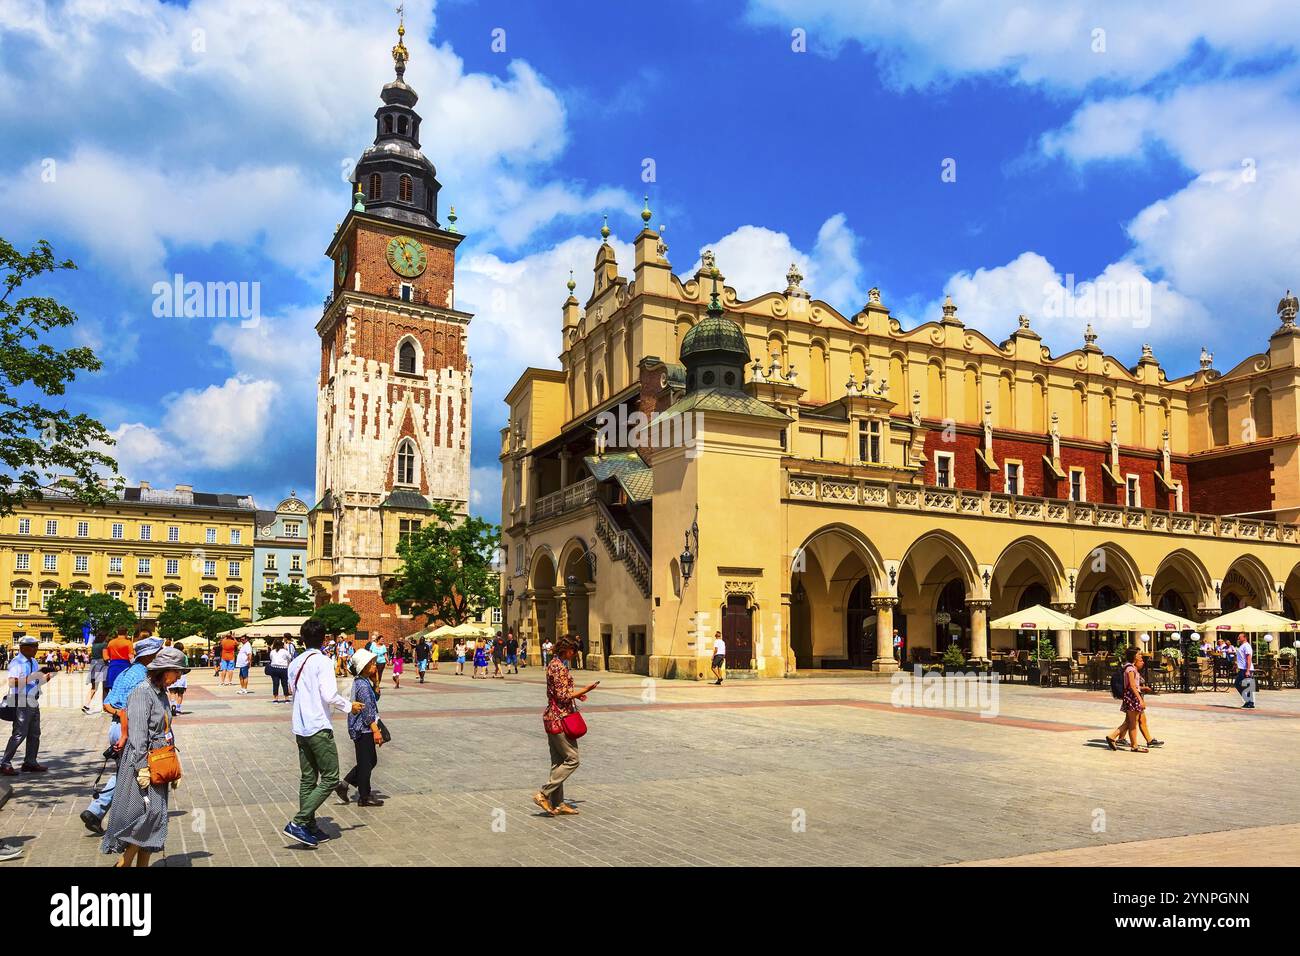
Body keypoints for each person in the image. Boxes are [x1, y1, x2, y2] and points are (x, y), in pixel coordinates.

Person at [101, 646, 189, 867]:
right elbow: (138, 734)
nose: (179, 677)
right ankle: (123, 864)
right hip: (143, 761)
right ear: (163, 670)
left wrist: (174, 764)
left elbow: (166, 729)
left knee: (155, 817)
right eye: (176, 672)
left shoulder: (160, 692)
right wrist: (141, 768)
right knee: (150, 815)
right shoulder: (142, 692)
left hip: (159, 759)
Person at [283, 618, 363, 848]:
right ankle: (299, 822)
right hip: (318, 725)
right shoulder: (323, 661)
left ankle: (308, 825)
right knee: (329, 777)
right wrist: (350, 706)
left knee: (308, 778)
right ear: (324, 638)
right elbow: (329, 695)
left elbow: (292, 690)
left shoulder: (295, 662)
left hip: (300, 725)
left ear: (302, 638)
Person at [81, 637, 162, 835]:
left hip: (115, 729)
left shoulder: (125, 672)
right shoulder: (144, 678)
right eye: (158, 653)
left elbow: (108, 704)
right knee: (132, 773)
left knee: (124, 772)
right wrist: (126, 727)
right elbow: (132, 709)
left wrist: (119, 716)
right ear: (150, 655)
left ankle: (96, 811)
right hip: (130, 730)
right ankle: (120, 817)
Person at [533, 635, 600, 816]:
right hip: (560, 719)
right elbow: (563, 696)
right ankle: (543, 793)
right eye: (573, 650)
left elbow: (560, 693)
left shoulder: (555, 664)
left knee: (558, 763)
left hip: (552, 717)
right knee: (572, 759)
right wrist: (585, 690)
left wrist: (576, 695)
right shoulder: (559, 667)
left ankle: (558, 804)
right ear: (566, 649)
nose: (574, 654)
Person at [336, 648, 385, 807]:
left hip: (363, 727)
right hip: (362, 728)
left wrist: (376, 682)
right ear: (363, 666)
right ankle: (364, 796)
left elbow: (375, 698)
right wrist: (376, 730)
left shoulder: (364, 682)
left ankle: (344, 785)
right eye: (371, 663)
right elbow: (366, 711)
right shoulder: (362, 685)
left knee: (369, 760)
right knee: (366, 762)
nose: (375, 665)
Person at [2, 636, 54, 776]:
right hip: (20, 700)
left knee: (34, 733)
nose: (36, 649)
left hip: (32, 699)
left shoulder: (33, 661)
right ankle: (4, 763)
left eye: (36, 646)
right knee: (19, 733)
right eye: (32, 646)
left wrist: (48, 676)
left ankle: (30, 762)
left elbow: (36, 682)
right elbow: (13, 682)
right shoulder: (17, 662)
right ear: (23, 647)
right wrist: (34, 677)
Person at [1105, 648, 1147, 752]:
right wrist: (1140, 699)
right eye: (1139, 654)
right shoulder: (1130, 669)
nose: (1141, 656)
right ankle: (1133, 745)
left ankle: (1114, 737)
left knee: (1131, 722)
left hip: (1130, 696)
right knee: (1132, 723)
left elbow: (1133, 685)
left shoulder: (1129, 667)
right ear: (1134, 656)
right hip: (1132, 696)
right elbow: (1132, 686)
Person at [82, 636, 109, 715]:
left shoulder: (94, 645)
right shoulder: (104, 644)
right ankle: (105, 707)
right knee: (105, 687)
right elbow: (105, 657)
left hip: (94, 665)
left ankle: (86, 704)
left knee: (94, 688)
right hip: (101, 666)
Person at [104, 628, 135, 694]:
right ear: (126, 633)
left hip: (113, 666)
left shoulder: (111, 642)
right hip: (125, 666)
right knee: (123, 689)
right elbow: (131, 656)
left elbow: (107, 656)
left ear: (117, 632)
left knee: (113, 688)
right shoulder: (128, 643)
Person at [268, 638, 294, 703]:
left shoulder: (272, 651)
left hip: (274, 668)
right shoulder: (285, 651)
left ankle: (275, 699)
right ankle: (286, 698)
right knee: (284, 684)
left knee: (275, 684)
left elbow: (271, 658)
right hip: (283, 669)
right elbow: (290, 658)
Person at [1235, 632, 1255, 709]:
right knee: (1243, 685)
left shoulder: (1246, 646)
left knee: (1241, 684)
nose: (1238, 638)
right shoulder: (1242, 646)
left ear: (1245, 637)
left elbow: (1248, 658)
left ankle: (1250, 702)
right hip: (1242, 668)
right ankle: (1248, 701)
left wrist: (1248, 670)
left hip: (1246, 668)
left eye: (1240, 637)